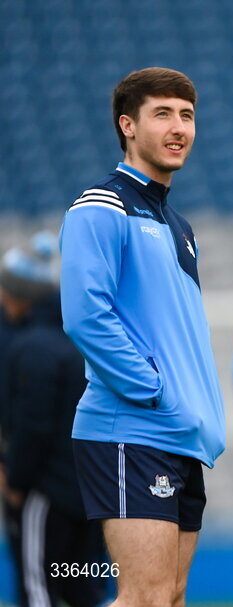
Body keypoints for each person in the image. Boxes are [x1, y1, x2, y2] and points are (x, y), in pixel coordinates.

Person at [59, 67, 226, 607]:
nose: (179, 127)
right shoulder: (100, 206)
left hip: (178, 435)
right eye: (163, 114)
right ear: (127, 125)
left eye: (187, 115)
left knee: (170, 598)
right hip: (131, 425)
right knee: (146, 598)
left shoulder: (178, 224)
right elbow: (86, 316)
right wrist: (152, 389)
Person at [0, 232, 110, 607]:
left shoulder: (30, 349)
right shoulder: (84, 341)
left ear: (18, 296)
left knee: (37, 585)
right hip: (93, 492)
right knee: (84, 586)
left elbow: (32, 426)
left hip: (47, 495)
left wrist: (17, 481)